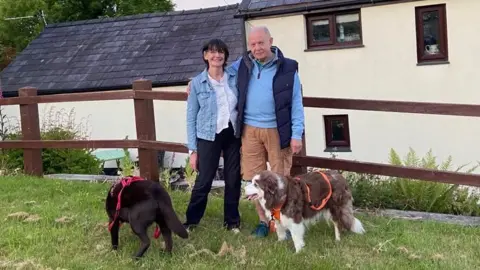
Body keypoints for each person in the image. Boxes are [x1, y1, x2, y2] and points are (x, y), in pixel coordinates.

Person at [231, 26, 305, 238]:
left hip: (277, 129)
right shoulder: (243, 64)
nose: (257, 48)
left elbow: (296, 103)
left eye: (261, 43)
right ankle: (264, 222)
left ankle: (283, 222)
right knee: (254, 179)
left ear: (270, 41)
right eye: (253, 44)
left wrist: (296, 133)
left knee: (281, 179)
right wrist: (195, 81)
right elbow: (220, 73)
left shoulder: (288, 68)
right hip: (250, 130)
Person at [184, 38, 242, 233]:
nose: (217, 55)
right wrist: (193, 150)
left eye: (221, 52)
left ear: (225, 56)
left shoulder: (234, 76)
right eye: (212, 52)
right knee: (204, 180)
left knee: (233, 179)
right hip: (208, 135)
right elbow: (191, 117)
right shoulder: (197, 84)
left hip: (232, 133)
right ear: (205, 56)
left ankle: (232, 222)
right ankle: (191, 221)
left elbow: (251, 57)